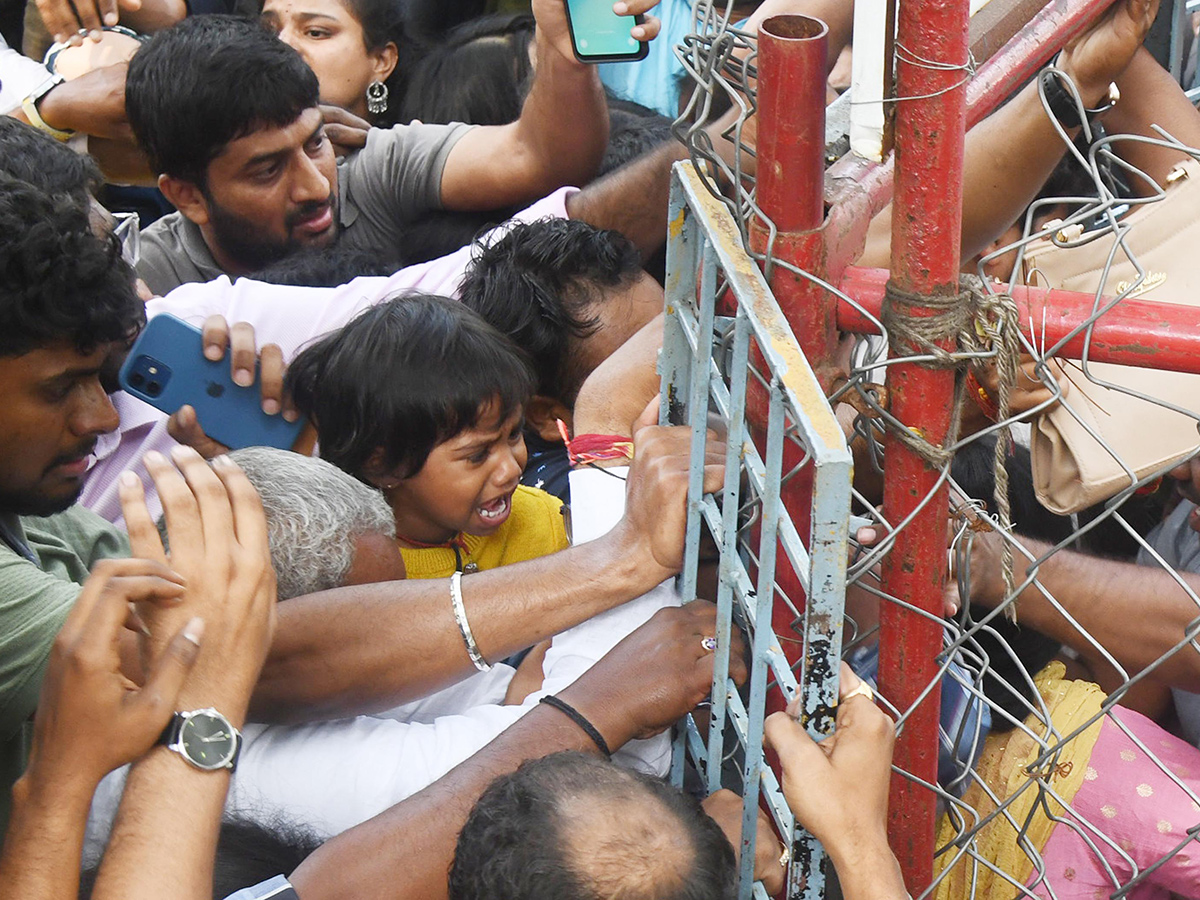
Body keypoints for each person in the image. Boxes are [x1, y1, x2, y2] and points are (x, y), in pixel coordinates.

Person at [124, 5, 658, 294]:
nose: (315, 187)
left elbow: (538, 159)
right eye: (266, 172)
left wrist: (564, 54)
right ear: (187, 197)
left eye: (315, 144)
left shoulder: (371, 168)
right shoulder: (147, 281)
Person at [287, 294, 569, 578]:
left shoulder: (545, 521)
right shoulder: (357, 576)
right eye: (477, 455)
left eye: (513, 435)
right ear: (383, 466)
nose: (511, 469)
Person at [261, 0, 416, 125]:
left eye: (315, 32)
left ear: (381, 61)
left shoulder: (410, 155)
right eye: (269, 32)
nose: (281, 45)